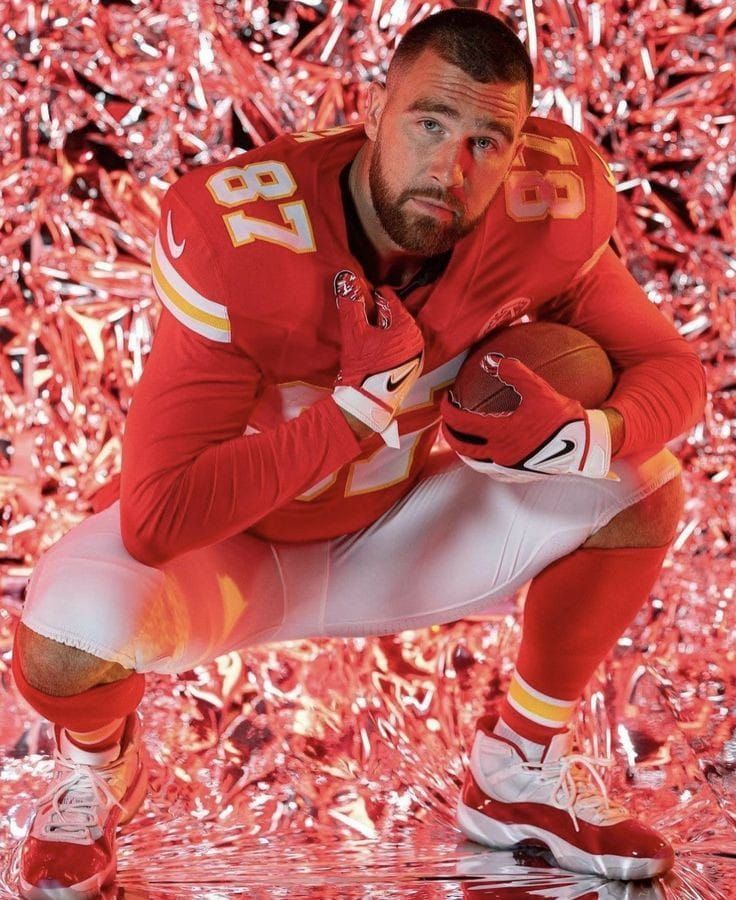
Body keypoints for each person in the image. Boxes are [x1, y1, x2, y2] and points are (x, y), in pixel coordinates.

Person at [12, 8, 704, 897]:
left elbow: (669, 369)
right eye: (429, 124)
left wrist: (580, 435)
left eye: (488, 140)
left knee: (640, 480)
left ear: (519, 145)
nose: (453, 168)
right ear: (372, 111)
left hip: (396, 530)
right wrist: (355, 408)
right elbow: (159, 518)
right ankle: (97, 766)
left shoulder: (544, 209)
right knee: (65, 648)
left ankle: (519, 766)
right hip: (232, 547)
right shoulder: (241, 233)